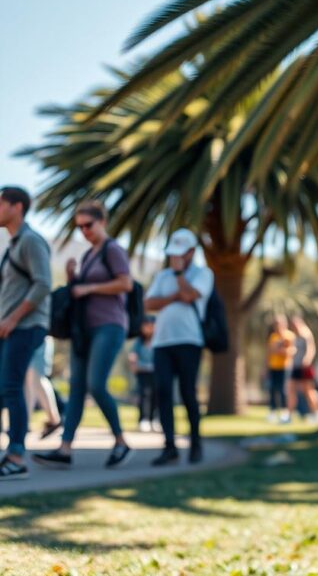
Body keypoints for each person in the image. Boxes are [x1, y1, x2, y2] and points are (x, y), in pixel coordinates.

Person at [34, 201, 133, 471]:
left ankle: (121, 441)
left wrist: (88, 288)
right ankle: (65, 449)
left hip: (109, 326)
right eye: (79, 227)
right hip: (83, 330)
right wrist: (72, 278)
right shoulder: (90, 255)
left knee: (96, 385)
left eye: (88, 225)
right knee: (76, 388)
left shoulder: (113, 250)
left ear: (102, 222)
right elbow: (80, 291)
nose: (84, 231)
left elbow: (126, 283)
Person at [144, 229, 214, 466]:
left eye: (180, 254)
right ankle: (169, 447)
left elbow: (189, 295)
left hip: (189, 341)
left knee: (187, 393)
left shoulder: (203, 274)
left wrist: (178, 274)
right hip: (162, 341)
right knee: (162, 391)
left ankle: (195, 443)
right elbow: (149, 303)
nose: (175, 258)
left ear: (192, 252)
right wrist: (173, 294)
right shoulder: (162, 276)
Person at [0, 186, 51, 480]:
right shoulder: (13, 246)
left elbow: (42, 284)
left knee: (11, 387)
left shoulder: (31, 241)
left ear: (16, 207)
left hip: (26, 326)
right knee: (4, 388)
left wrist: (12, 318)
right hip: (11, 327)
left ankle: (17, 456)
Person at [287, 315, 318, 423]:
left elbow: (311, 349)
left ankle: (317, 412)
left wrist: (306, 361)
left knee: (308, 391)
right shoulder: (295, 335)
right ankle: (289, 415)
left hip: (304, 367)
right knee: (291, 390)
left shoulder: (306, 333)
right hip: (295, 366)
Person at [26, 337, 61, 439]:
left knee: (37, 378)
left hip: (40, 336)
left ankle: (54, 419)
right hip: (31, 338)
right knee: (29, 382)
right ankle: (25, 421)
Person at [128, 316, 158, 432]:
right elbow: (133, 355)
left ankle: (154, 419)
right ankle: (143, 419)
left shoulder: (158, 340)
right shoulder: (139, 342)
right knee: (144, 395)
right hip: (142, 372)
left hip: (156, 372)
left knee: (157, 396)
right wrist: (133, 363)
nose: (149, 328)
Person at [266, 316, 296, 423]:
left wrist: (283, 350)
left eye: (279, 324)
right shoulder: (273, 337)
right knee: (272, 389)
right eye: (276, 324)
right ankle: (273, 411)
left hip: (285, 366)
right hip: (273, 366)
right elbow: (270, 351)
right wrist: (266, 366)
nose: (277, 326)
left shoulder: (289, 336)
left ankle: (284, 412)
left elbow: (292, 351)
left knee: (284, 389)